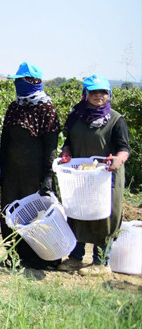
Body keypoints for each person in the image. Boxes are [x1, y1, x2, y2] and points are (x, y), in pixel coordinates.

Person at [57, 75, 131, 276]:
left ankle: (101, 262)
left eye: (103, 92)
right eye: (94, 92)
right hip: (82, 175)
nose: (99, 96)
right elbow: (68, 142)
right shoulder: (76, 117)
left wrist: (118, 159)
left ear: (109, 94)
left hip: (106, 177)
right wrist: (67, 153)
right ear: (85, 94)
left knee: (104, 216)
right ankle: (75, 258)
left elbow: (124, 149)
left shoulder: (116, 120)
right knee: (78, 213)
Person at [0, 62, 61, 269]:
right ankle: (15, 255)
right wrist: (1, 168)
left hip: (35, 173)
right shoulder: (15, 106)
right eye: (17, 81)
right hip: (13, 173)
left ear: (34, 82)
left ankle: (40, 257)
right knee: (10, 214)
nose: (18, 84)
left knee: (35, 215)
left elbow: (51, 146)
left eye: (21, 80)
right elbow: (5, 141)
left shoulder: (46, 109)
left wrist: (48, 175)